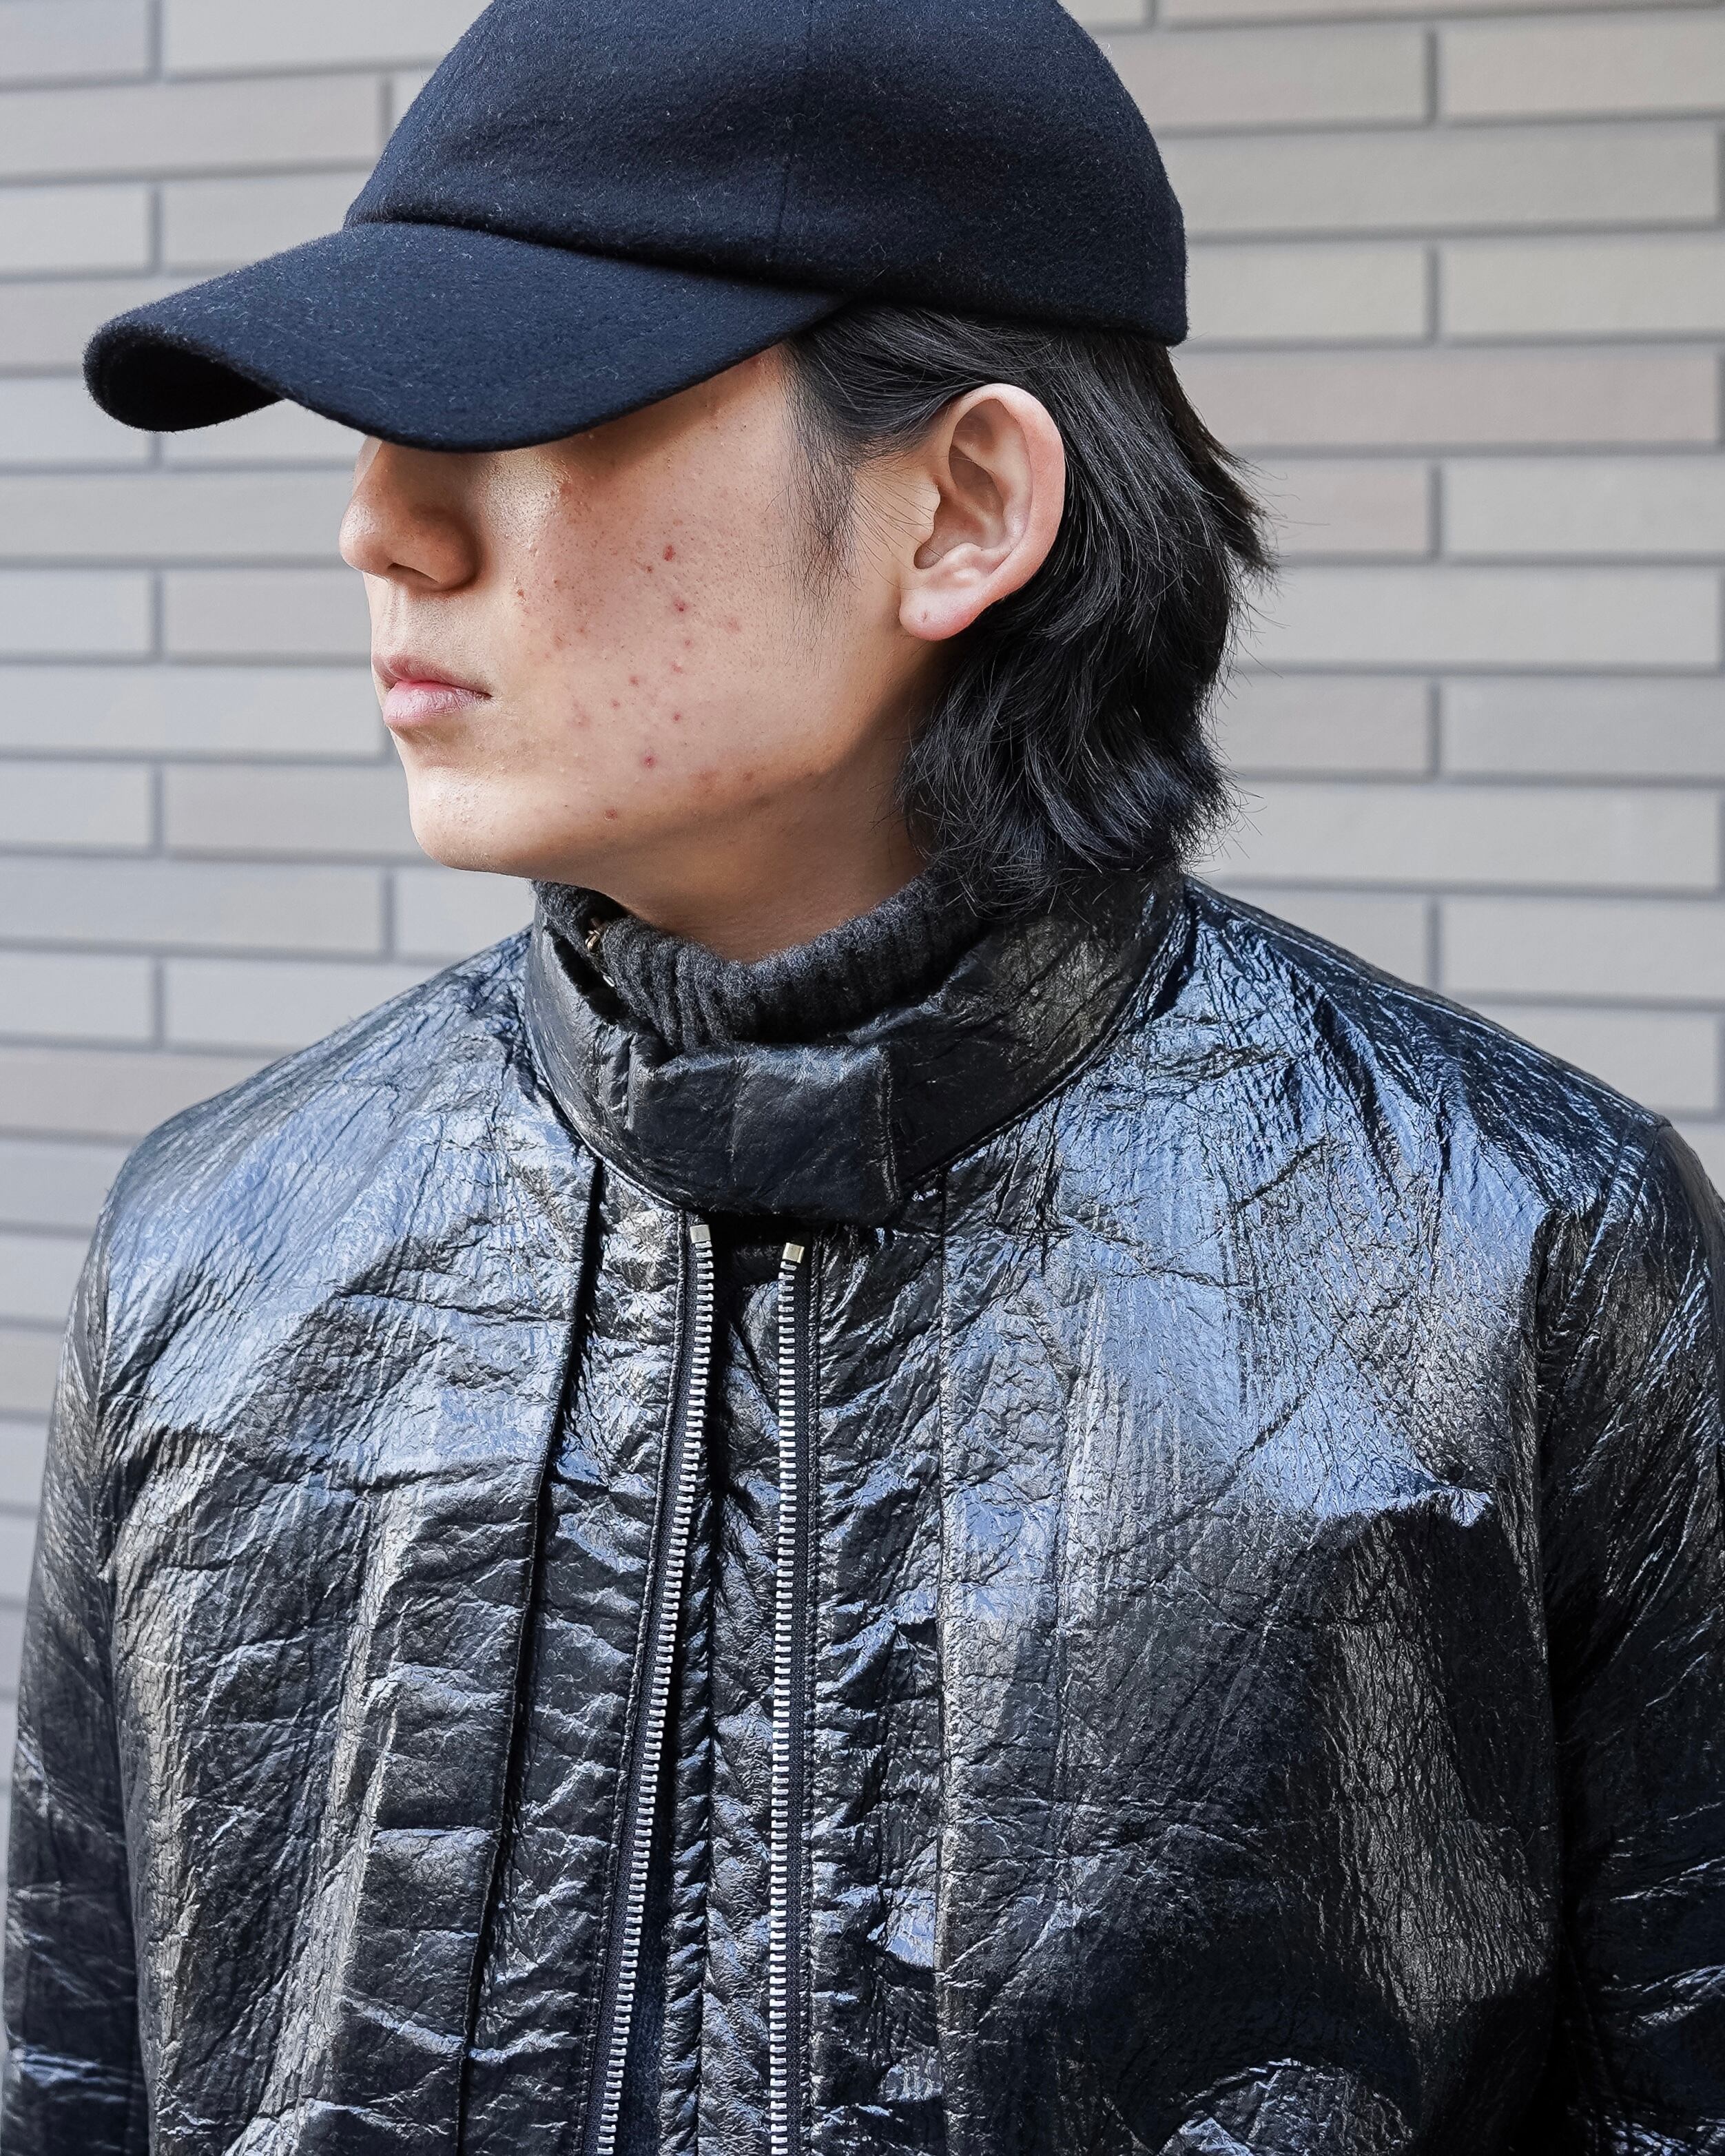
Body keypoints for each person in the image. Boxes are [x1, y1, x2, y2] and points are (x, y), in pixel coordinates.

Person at [7, 0, 1724, 2148]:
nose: (384, 526)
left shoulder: (1520, 1268)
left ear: (964, 505)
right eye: (370, 422)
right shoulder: (216, 1250)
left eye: (526, 404)